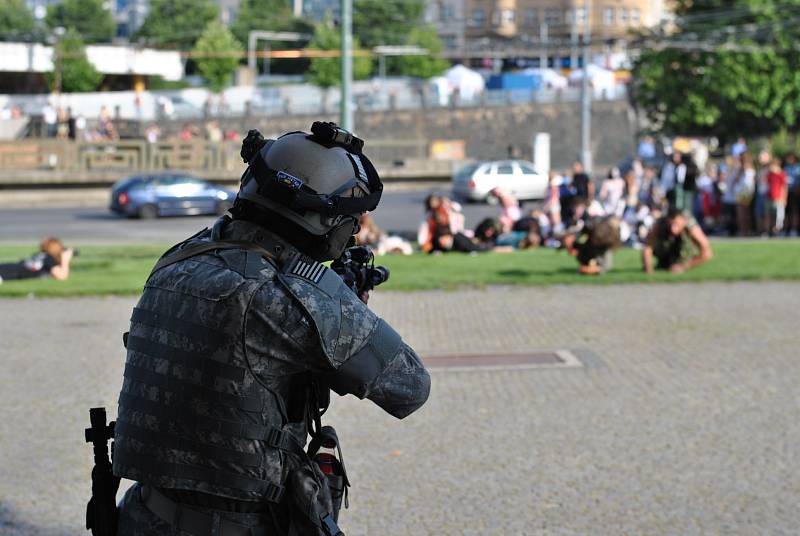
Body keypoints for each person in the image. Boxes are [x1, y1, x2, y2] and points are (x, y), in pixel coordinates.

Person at [112, 123, 431, 536]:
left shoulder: (179, 259)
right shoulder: (285, 299)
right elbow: (409, 386)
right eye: (350, 222)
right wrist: (338, 297)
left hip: (141, 514)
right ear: (324, 221)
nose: (352, 232)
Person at [642, 208, 713, 274]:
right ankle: (665, 263)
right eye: (671, 224)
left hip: (684, 255)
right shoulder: (660, 223)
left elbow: (707, 254)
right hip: (666, 252)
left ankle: (678, 262)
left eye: (676, 224)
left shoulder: (691, 227)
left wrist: (684, 266)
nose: (673, 229)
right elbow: (648, 247)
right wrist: (649, 269)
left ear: (683, 220)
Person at [0, 238, 74, 283]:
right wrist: (65, 260)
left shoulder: (39, 255)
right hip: (4, 275)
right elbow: (62, 276)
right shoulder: (48, 258)